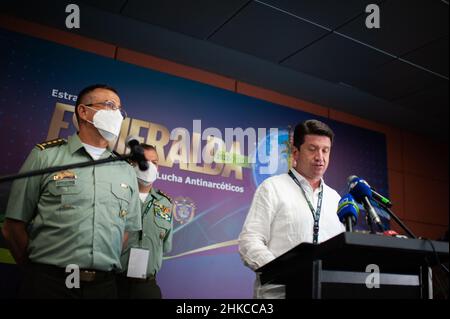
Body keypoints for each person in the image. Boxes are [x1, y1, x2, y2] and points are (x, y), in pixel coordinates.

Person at [1, 84, 142, 298]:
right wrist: (37, 274)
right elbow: (12, 227)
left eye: (119, 109)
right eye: (109, 105)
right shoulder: (45, 156)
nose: (116, 114)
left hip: (103, 288)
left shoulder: (125, 169)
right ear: (83, 111)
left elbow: (125, 232)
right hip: (48, 285)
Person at [238, 119, 345, 299]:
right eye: (312, 149)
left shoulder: (336, 199)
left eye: (325, 150)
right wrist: (282, 271)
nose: (320, 157)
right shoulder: (272, 187)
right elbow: (249, 241)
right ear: (295, 152)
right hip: (280, 294)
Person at [116, 144, 173, 299]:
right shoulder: (116, 196)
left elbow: (165, 245)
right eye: (145, 162)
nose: (150, 167)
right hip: (114, 283)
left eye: (154, 163)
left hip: (147, 287)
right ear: (132, 164)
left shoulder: (165, 203)